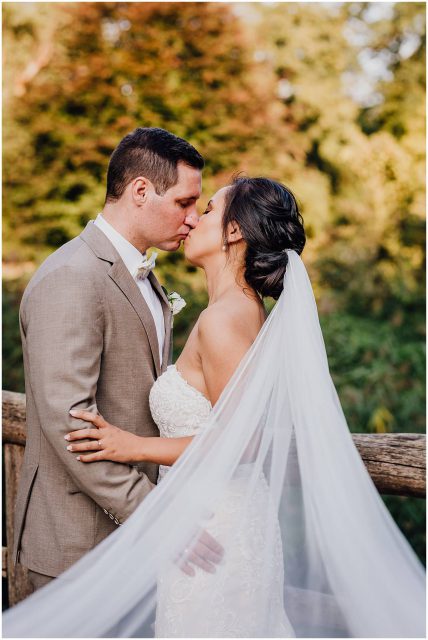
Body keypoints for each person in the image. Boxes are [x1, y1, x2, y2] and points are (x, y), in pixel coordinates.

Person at [4, 178, 425, 638]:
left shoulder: (225, 319)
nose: (192, 220)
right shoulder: (237, 311)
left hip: (214, 525)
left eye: (206, 210)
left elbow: (242, 442)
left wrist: (132, 446)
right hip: (216, 516)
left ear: (233, 232)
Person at [12, 126, 224, 591]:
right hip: (77, 543)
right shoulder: (71, 277)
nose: (192, 219)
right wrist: (159, 517)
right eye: (184, 203)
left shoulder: (145, 277)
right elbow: (72, 425)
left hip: (133, 542)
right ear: (141, 191)